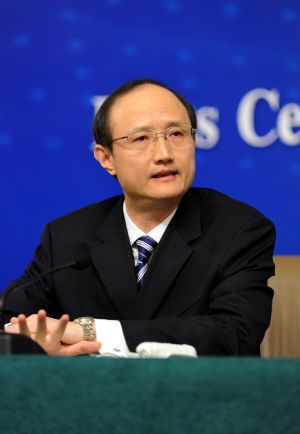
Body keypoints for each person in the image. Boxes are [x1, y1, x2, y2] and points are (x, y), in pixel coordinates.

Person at [4, 79, 276, 356]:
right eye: (141, 138)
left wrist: (91, 332)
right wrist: (40, 348)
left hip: (196, 395)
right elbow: (8, 324)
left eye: (176, 134)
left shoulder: (239, 229)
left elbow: (235, 335)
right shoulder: (65, 238)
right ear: (106, 158)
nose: (164, 154)